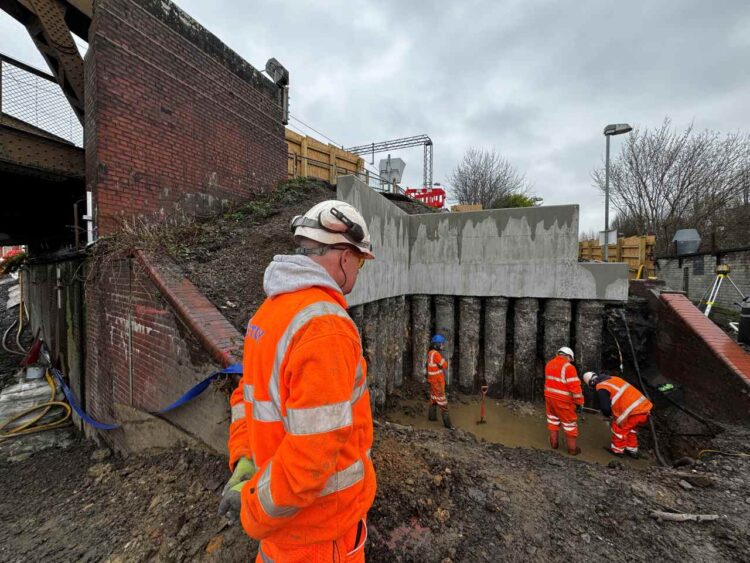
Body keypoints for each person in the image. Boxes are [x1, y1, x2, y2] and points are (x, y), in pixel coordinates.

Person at [219, 200, 377, 562]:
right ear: (345, 258)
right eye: (360, 263)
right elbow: (312, 455)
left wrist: (245, 459)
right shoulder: (326, 326)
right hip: (322, 536)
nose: (357, 272)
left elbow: (247, 396)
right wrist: (255, 510)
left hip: (282, 534)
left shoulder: (270, 313)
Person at [582, 371, 653, 458]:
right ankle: (632, 450)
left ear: (592, 383)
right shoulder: (614, 378)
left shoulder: (601, 387)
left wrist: (608, 414)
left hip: (632, 412)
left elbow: (605, 408)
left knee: (619, 429)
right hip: (644, 409)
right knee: (630, 429)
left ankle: (617, 450)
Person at [543, 346, 585, 455]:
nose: (571, 361)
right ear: (568, 356)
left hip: (549, 399)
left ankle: (554, 444)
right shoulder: (569, 368)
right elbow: (575, 388)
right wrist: (580, 402)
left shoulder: (549, 364)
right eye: (571, 359)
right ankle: (572, 450)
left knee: (552, 421)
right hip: (563, 401)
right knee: (570, 425)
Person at [426, 334, 453, 429]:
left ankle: (431, 418)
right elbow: (444, 365)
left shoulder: (430, 353)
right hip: (437, 381)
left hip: (433, 381)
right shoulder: (436, 354)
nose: (443, 346)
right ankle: (448, 425)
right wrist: (444, 360)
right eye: (441, 344)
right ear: (437, 344)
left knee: (433, 399)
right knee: (442, 402)